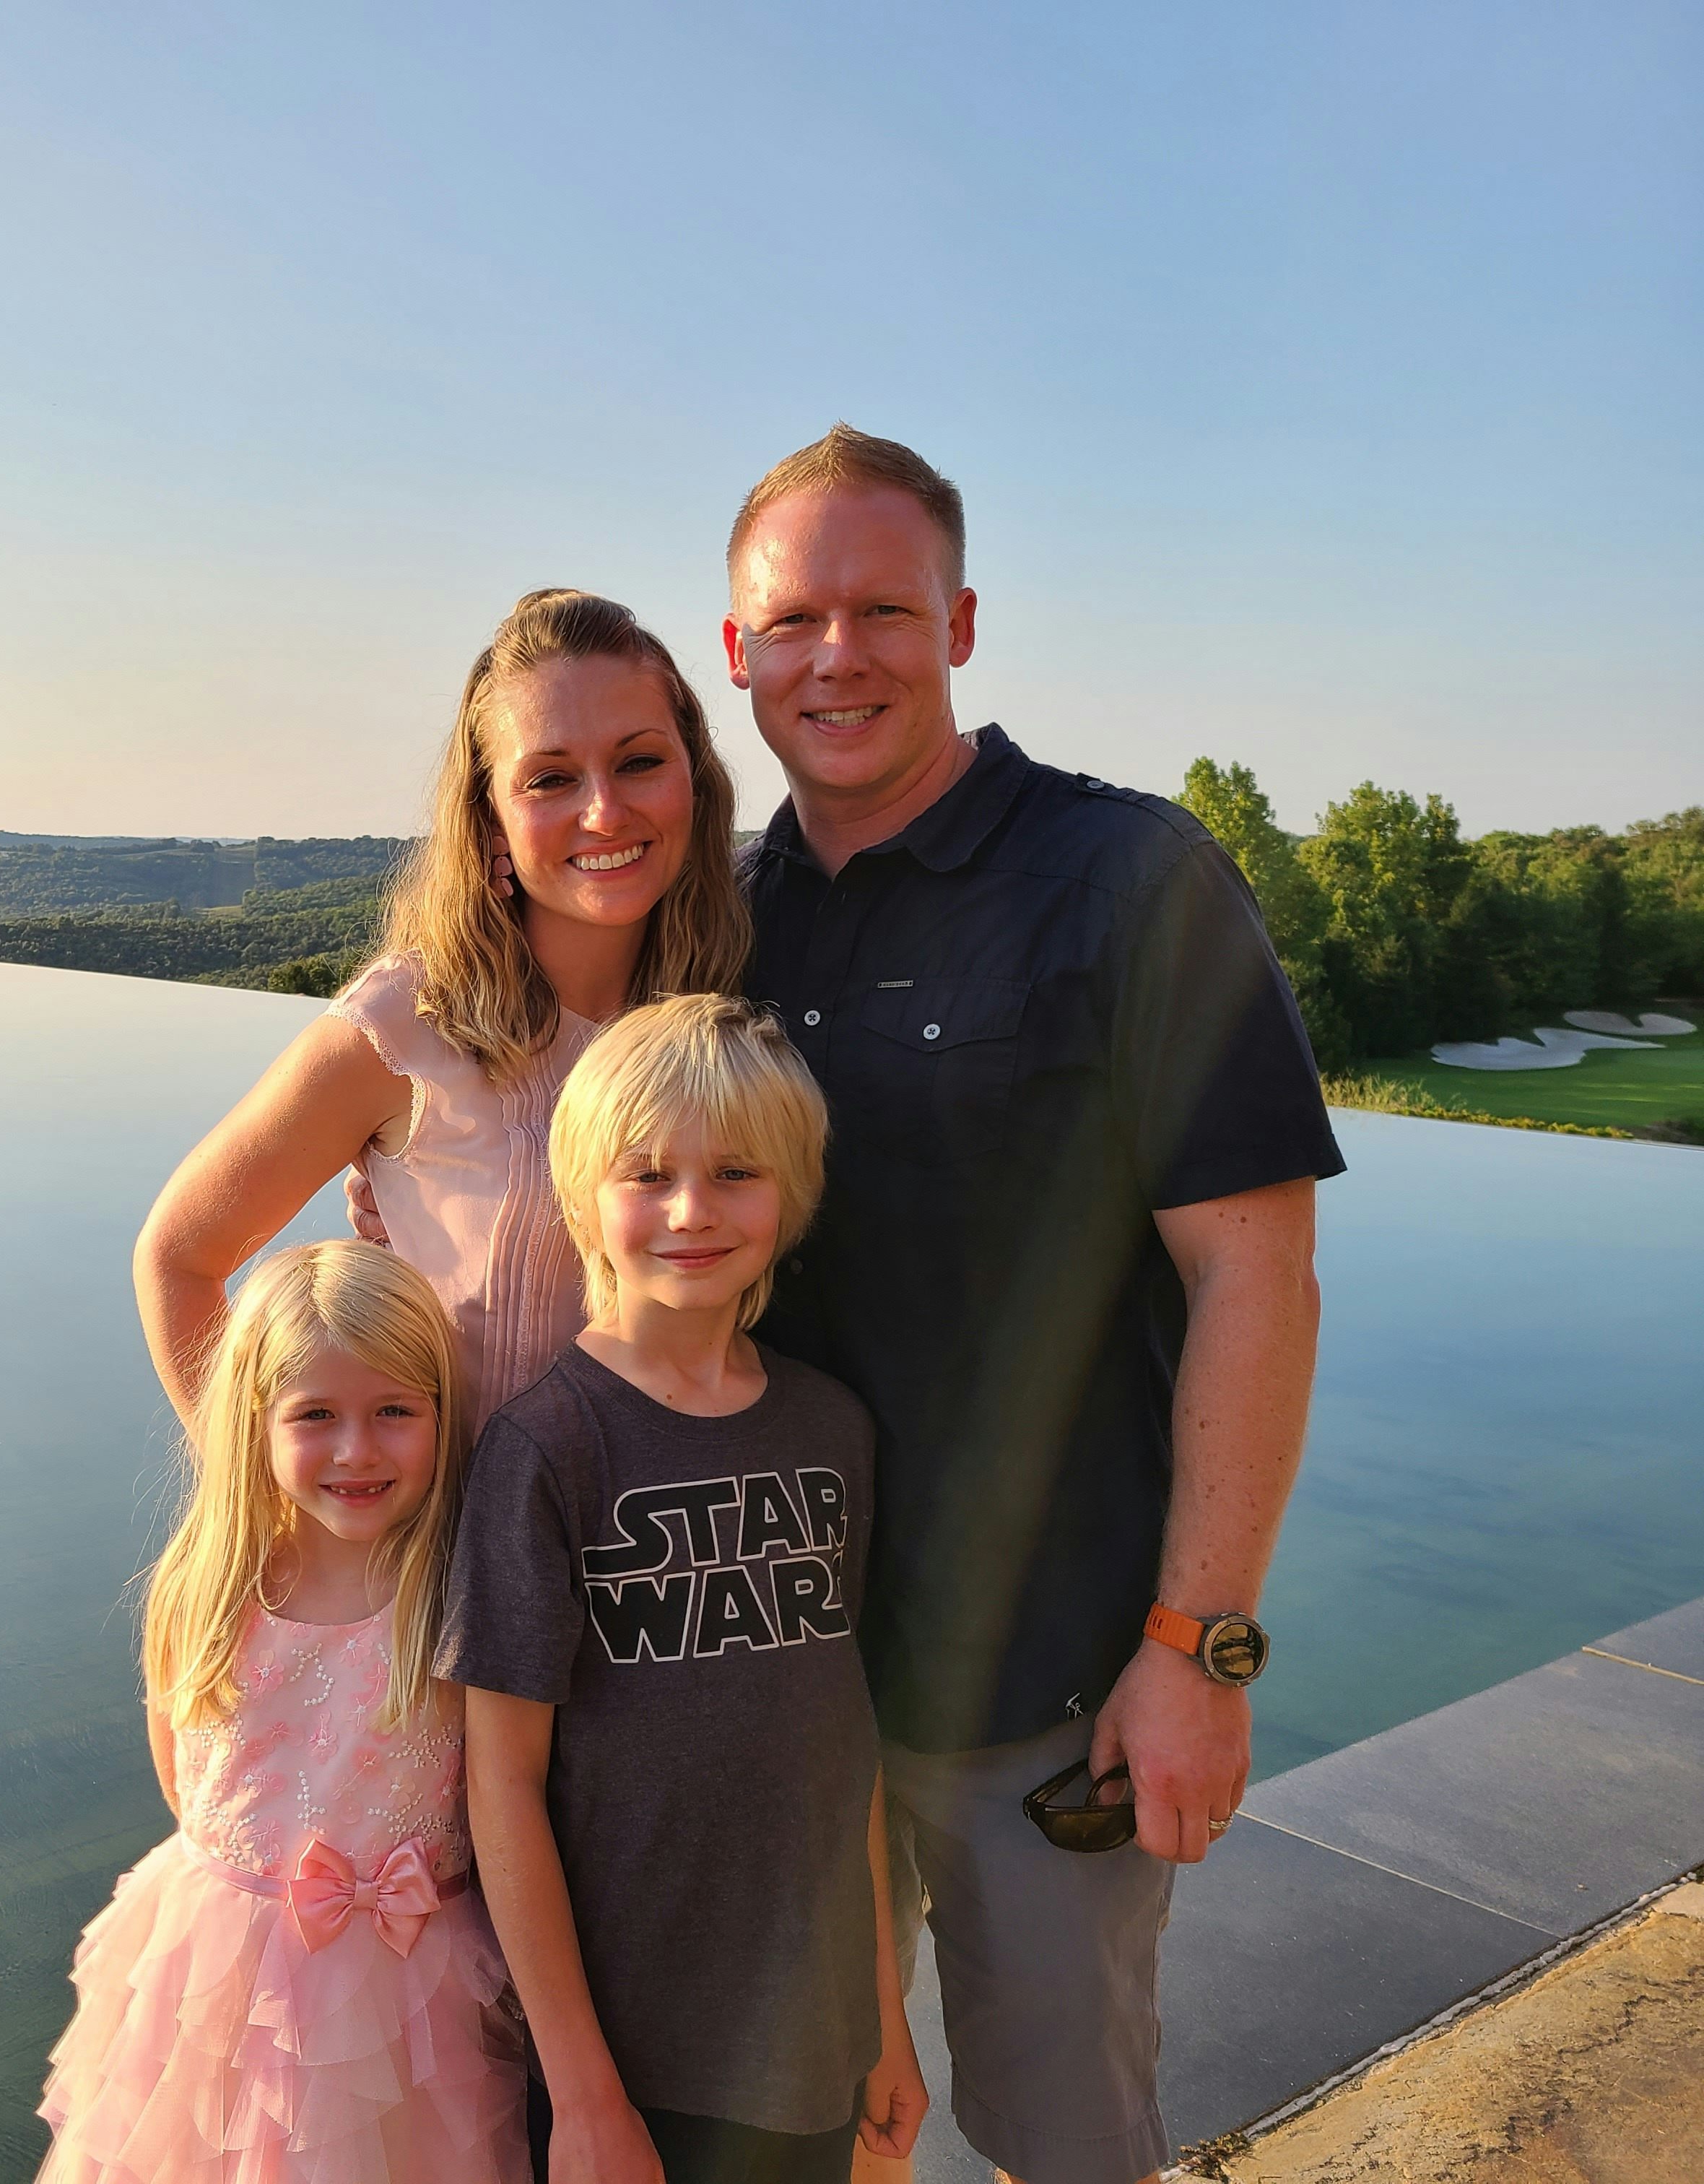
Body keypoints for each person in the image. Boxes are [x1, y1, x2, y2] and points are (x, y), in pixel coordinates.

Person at [721, 426, 1340, 2184]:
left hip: (1050, 1688)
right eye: (796, 619)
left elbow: (1257, 1273)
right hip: (778, 1686)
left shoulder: (1129, 879)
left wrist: (1197, 1647)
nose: (838, 655)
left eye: (883, 610)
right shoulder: (723, 918)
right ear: (737, 650)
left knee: (1063, 2137)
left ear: (962, 623)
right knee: (812, 2122)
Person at [445, 994, 928, 2184]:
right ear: (582, 1201)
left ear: (793, 1194)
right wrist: (585, 2092)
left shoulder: (832, 1428)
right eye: (646, 1173)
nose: (690, 1209)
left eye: (734, 1172)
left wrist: (883, 2020)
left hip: (812, 2047)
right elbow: (500, 1783)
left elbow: (841, 1751)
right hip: (631, 2060)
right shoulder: (546, 1446)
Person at [136, 589, 750, 1431]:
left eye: (640, 761)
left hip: (661, 1547)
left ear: (695, 776)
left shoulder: (729, 1015)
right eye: (550, 778)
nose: (604, 810)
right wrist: (272, 1519)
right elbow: (179, 1258)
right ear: (489, 815)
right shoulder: (405, 1028)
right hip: (448, 1557)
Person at [35, 1242, 528, 2183]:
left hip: (412, 1991)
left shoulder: (454, 1594)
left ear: (442, 1414)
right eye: (316, 1416)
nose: (357, 1449)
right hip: (220, 1978)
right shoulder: (209, 1587)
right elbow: (186, 1788)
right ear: (255, 1422)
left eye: (395, 1411)